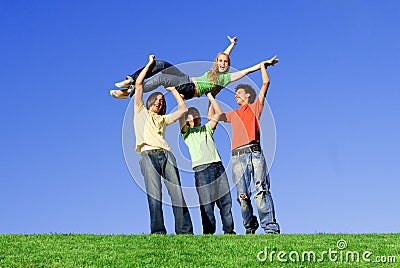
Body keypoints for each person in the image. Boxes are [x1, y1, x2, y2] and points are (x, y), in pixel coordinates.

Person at [217, 59, 280, 234]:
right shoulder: (233, 114)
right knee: (242, 195)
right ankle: (250, 226)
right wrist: (210, 94)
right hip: (237, 156)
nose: (236, 95)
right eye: (235, 93)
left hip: (255, 153)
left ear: (248, 96)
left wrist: (262, 66)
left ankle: (270, 229)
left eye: (239, 93)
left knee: (261, 190)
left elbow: (266, 82)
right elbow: (216, 115)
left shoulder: (255, 107)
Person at [133, 54, 193, 234]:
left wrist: (173, 90)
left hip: (166, 154)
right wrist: (150, 64)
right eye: (157, 99)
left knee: (177, 193)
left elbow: (183, 109)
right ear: (150, 101)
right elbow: (138, 85)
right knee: (154, 195)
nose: (160, 101)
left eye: (162, 100)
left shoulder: (163, 119)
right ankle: (158, 231)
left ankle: (185, 231)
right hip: (148, 155)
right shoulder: (140, 110)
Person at [110, 36, 278, 100]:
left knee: (162, 78)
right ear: (216, 61)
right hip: (187, 79)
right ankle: (131, 80)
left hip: (191, 89)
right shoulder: (213, 70)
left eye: (226, 62)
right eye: (220, 61)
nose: (222, 63)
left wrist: (264, 64)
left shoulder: (225, 78)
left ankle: (131, 92)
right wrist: (231, 45)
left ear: (228, 66)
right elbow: (223, 55)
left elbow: (246, 71)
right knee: (160, 64)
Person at [179, 93, 235, 234]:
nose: (196, 115)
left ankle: (229, 232)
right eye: (192, 114)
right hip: (202, 170)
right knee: (207, 206)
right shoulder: (187, 133)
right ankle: (209, 234)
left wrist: (210, 96)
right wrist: (182, 99)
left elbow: (218, 113)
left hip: (218, 166)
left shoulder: (206, 129)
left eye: (197, 113)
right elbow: (181, 114)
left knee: (225, 202)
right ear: (187, 119)